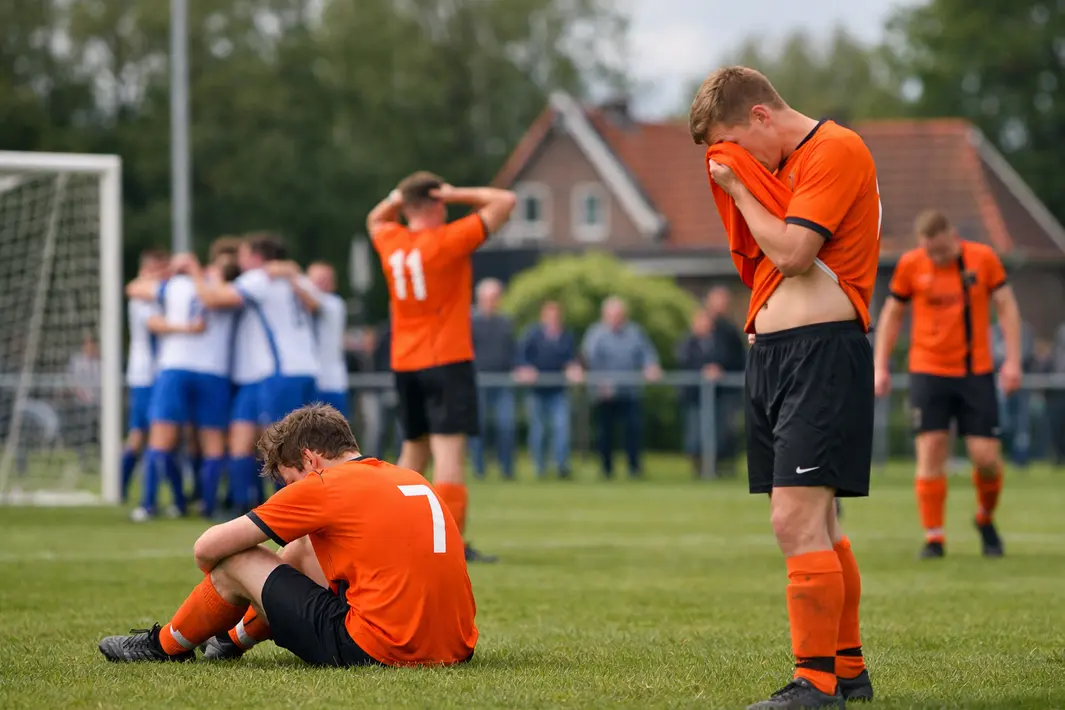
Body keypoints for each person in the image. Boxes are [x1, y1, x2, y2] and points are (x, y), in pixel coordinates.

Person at [691, 65, 879, 708]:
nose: (729, 162)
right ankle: (847, 669)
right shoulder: (784, 163)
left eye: (731, 144)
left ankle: (814, 682)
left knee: (793, 519)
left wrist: (741, 190)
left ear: (761, 117)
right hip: (777, 356)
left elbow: (795, 255)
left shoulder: (835, 148)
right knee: (819, 520)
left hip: (819, 354)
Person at [98, 403, 477, 667]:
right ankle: (231, 639)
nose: (289, 491)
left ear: (311, 459)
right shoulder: (408, 476)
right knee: (302, 546)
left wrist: (237, 585)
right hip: (455, 647)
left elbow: (206, 549)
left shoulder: (325, 484)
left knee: (237, 561)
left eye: (289, 480)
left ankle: (165, 646)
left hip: (382, 650)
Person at [367, 171, 516, 563]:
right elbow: (504, 201)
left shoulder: (390, 239)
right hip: (446, 358)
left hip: (405, 361)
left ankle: (394, 538)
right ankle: (449, 546)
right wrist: (455, 193)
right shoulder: (448, 240)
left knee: (412, 454)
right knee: (449, 455)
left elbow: (375, 217)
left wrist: (399, 197)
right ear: (435, 201)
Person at [874, 209, 1022, 560]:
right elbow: (892, 314)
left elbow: (1006, 306)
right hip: (928, 370)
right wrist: (880, 365)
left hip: (975, 371)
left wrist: (1013, 361)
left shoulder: (983, 259)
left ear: (953, 236)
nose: (937, 258)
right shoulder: (911, 265)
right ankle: (934, 538)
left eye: (941, 251)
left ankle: (985, 518)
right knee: (931, 449)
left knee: (986, 458)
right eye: (930, 252)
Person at [190, 234, 320, 512]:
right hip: (273, 372)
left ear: (257, 257)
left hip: (280, 371)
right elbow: (313, 303)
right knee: (243, 438)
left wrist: (196, 272)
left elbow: (213, 298)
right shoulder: (292, 277)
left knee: (280, 443)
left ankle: (288, 507)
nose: (239, 261)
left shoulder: (260, 278)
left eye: (243, 255)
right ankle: (243, 504)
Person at [126, 243, 239, 521]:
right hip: (211, 371)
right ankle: (207, 507)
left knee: (162, 438)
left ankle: (149, 505)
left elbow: (135, 288)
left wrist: (170, 272)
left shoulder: (175, 286)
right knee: (212, 442)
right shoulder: (226, 289)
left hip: (176, 367)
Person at [581, 296, 662, 479]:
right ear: (604, 315)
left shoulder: (635, 332)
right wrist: (600, 381)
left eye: (618, 315)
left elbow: (647, 354)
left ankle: (634, 468)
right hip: (604, 394)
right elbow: (588, 360)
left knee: (633, 430)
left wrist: (651, 367)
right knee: (605, 433)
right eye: (611, 315)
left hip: (629, 392)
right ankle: (606, 469)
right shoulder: (596, 334)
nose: (615, 319)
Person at [121, 249, 169, 502]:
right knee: (143, 435)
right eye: (158, 270)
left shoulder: (153, 297)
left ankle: (171, 498)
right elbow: (155, 325)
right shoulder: (143, 299)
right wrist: (189, 327)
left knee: (153, 435)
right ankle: (122, 489)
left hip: (153, 374)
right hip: (145, 376)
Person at [515, 300, 583, 479]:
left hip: (558, 391)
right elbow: (520, 356)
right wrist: (525, 368)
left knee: (562, 429)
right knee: (538, 431)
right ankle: (540, 468)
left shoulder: (566, 336)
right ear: (543, 316)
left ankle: (562, 466)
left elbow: (571, 359)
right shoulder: (532, 334)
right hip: (537, 391)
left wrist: (573, 368)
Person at [470, 278, 518, 481]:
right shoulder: (470, 323)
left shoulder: (505, 322)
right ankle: (479, 469)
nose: (492, 301)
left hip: (502, 381)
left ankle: (507, 469)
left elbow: (513, 351)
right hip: (478, 382)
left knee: (506, 426)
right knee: (477, 428)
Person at [306, 262, 350, 417]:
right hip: (312, 381)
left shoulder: (334, 303)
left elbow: (313, 303)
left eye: (325, 279)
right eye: (317, 279)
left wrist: (290, 277)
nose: (320, 284)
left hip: (332, 383)